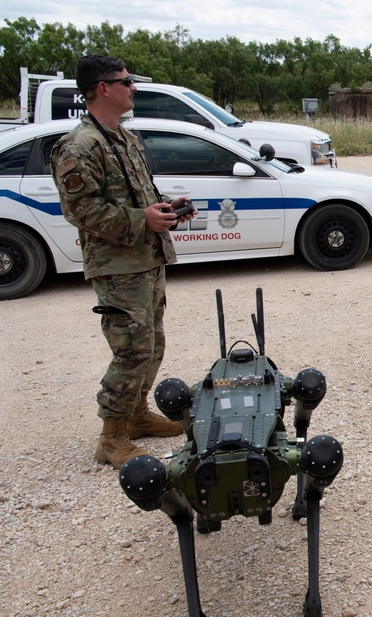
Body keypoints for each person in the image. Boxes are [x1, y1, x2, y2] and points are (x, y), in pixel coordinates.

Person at [50, 55, 196, 469]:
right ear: (103, 88)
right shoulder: (79, 146)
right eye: (126, 81)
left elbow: (136, 195)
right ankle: (111, 436)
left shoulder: (124, 139)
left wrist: (165, 208)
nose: (133, 88)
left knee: (152, 343)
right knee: (131, 350)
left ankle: (135, 415)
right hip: (118, 265)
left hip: (146, 257)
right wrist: (141, 219)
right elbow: (81, 211)